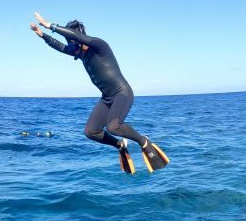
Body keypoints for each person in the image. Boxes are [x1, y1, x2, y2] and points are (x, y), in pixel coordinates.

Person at [30, 12, 169, 174]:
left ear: (80, 37)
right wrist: (42, 36)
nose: (71, 45)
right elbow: (60, 47)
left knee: (113, 126)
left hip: (122, 93)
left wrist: (50, 26)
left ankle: (143, 141)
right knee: (91, 131)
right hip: (107, 98)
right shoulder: (80, 53)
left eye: (74, 40)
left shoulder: (99, 45)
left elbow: (76, 37)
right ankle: (120, 145)